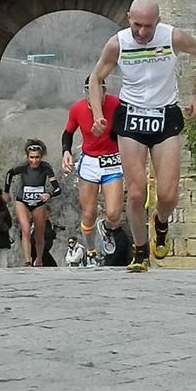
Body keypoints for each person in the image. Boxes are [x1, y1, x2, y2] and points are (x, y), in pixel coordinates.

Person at [88, 0, 196, 273]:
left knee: (167, 195)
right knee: (135, 193)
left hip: (165, 116)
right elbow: (96, 78)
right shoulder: (117, 43)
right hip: (131, 117)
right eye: (137, 25)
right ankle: (140, 251)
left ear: (158, 20)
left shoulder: (173, 37)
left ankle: (161, 223)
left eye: (148, 26)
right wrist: (98, 114)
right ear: (128, 17)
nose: (142, 32)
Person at [61, 76, 123, 265]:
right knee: (88, 212)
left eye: (98, 90)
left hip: (112, 160)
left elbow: (126, 129)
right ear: (86, 93)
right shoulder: (77, 109)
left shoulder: (116, 104)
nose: (94, 95)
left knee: (114, 213)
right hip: (90, 162)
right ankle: (90, 250)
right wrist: (66, 152)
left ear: (105, 90)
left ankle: (105, 227)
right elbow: (68, 132)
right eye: (90, 91)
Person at [3, 139, 61, 267]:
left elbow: (57, 188)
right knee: (26, 230)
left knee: (39, 235)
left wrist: (49, 194)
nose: (34, 161)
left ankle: (39, 259)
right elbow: (9, 174)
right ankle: (27, 261)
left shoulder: (46, 167)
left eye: (37, 158)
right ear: (27, 156)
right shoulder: (23, 167)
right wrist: (6, 192)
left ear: (41, 157)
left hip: (38, 203)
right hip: (22, 201)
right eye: (31, 158)